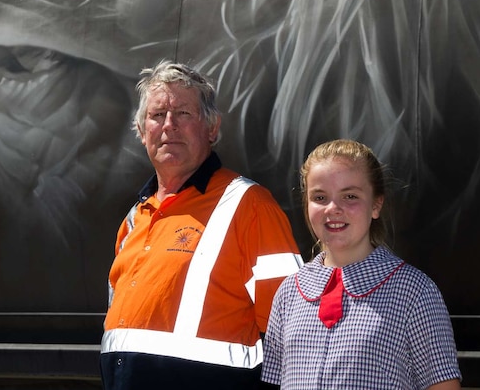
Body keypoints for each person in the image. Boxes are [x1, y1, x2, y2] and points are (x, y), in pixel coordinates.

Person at [100, 60, 303, 390]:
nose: (169, 126)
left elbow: (294, 331)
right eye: (157, 115)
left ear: (212, 128)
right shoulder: (134, 219)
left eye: (183, 114)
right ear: (141, 132)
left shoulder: (250, 206)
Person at [262, 139, 461, 389]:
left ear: (376, 204)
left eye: (350, 196)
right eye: (320, 197)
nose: (333, 208)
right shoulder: (289, 292)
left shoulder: (415, 292)